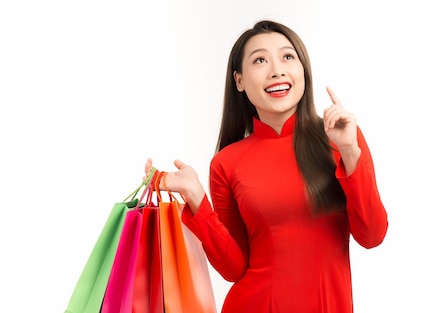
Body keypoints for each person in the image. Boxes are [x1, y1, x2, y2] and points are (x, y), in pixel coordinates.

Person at [144, 19, 388, 313]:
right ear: (239, 81)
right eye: (260, 60)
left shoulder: (340, 138)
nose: (277, 70)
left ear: (303, 70)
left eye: (288, 56)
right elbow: (233, 268)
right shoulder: (226, 163)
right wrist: (195, 195)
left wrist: (350, 151)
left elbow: (372, 235)